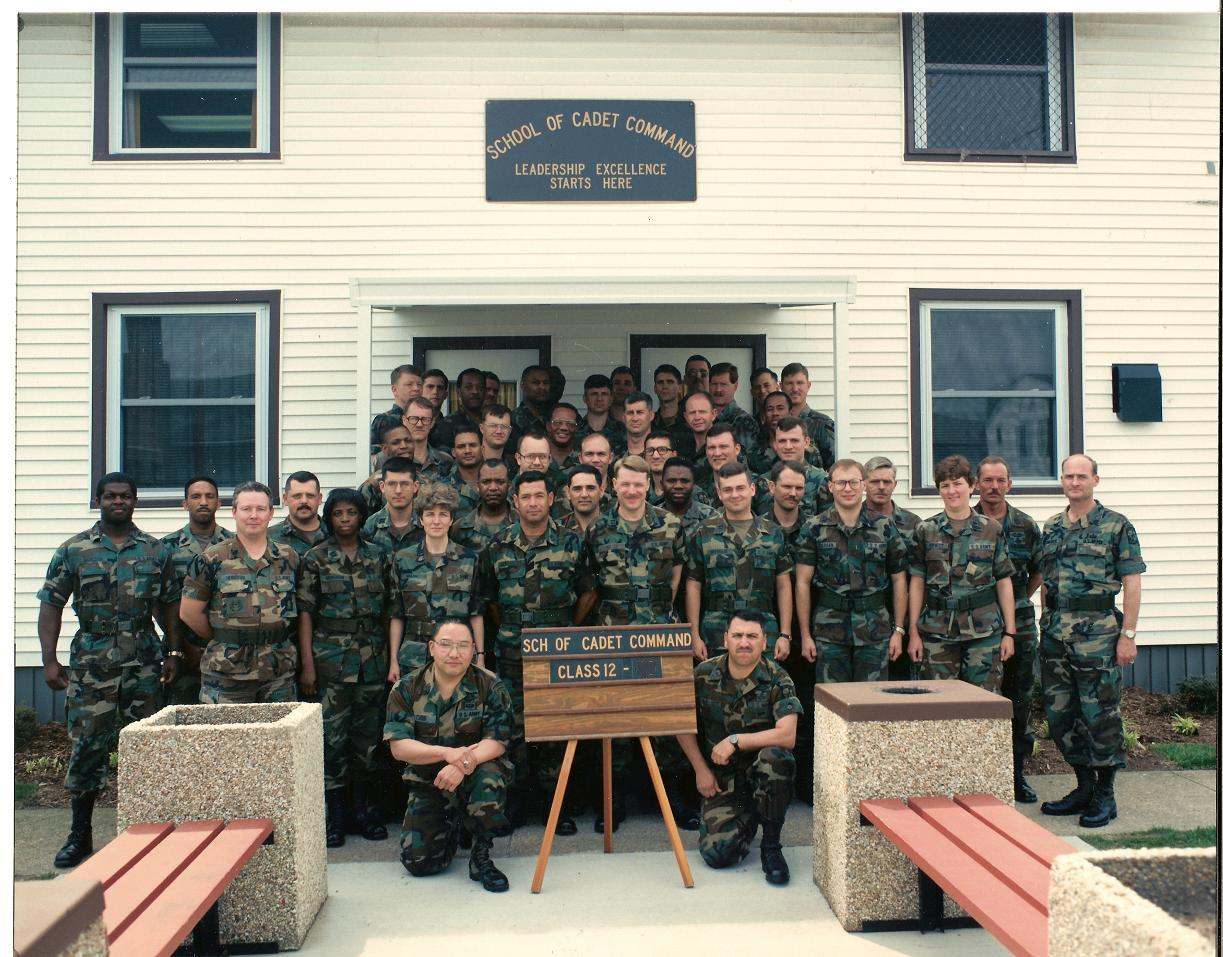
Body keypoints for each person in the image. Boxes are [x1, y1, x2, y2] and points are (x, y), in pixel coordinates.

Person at [39, 472, 170, 868]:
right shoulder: (74, 550)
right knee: (87, 747)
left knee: (148, 748)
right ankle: (80, 835)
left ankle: (151, 834)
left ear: (135, 501)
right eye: (110, 496)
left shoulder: (154, 551)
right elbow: (51, 606)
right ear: (98, 501)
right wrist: (48, 659)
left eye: (125, 496)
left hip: (144, 660)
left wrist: (176, 653)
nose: (118, 501)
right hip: (93, 663)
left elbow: (168, 605)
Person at [575, 456, 684, 833]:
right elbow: (590, 584)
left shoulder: (669, 524)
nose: (633, 490)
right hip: (613, 639)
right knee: (616, 721)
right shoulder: (600, 529)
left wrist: (663, 612)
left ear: (648, 485)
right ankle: (613, 802)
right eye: (626, 483)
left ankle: (673, 800)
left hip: (658, 638)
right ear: (614, 485)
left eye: (640, 484)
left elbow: (677, 573)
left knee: (666, 718)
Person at [478, 471, 590, 833]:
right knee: (514, 727)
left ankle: (556, 806)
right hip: (512, 651)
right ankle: (518, 802)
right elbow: (489, 599)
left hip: (557, 650)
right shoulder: (497, 545)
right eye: (525, 497)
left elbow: (589, 590)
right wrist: (517, 625)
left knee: (555, 727)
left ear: (552, 498)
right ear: (515, 501)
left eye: (539, 496)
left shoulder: (572, 543)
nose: (532, 503)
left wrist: (563, 626)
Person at [1037, 454, 1144, 829]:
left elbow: (1132, 581)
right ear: (1062, 481)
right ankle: (1083, 787)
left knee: (1100, 715)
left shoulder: (1116, 526)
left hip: (1098, 633)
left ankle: (1105, 794)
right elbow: (1046, 583)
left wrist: (1127, 635)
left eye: (1082, 476)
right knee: (1061, 715)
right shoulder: (1051, 527)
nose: (1075, 482)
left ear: (1096, 480)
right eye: (1068, 476)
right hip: (1055, 635)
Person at [297, 488, 397, 847]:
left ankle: (365, 813)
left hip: (372, 659)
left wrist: (392, 659)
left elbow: (390, 612)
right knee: (331, 741)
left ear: (361, 516)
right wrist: (308, 665)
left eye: (351, 513)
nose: (344, 520)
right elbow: (306, 614)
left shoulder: (379, 557)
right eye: (338, 514)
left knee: (367, 742)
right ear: (329, 517)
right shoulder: (315, 558)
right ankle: (335, 818)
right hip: (330, 662)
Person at [384, 619, 513, 892]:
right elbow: (399, 747)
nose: (454, 653)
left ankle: (481, 853)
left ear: (474, 650)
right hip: (431, 780)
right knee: (418, 863)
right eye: (446, 645)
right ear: (431, 648)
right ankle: (454, 827)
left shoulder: (490, 685)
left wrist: (464, 763)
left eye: (463, 646)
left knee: (490, 775)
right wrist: (448, 754)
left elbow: (498, 742)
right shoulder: (407, 687)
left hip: (475, 773)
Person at [677, 610, 799, 885]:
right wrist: (700, 770)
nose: (744, 642)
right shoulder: (704, 674)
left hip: (760, 772)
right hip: (722, 779)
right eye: (738, 635)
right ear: (726, 639)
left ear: (764, 642)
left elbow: (787, 735)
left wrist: (736, 740)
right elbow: (681, 723)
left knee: (776, 759)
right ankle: (749, 816)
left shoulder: (778, 679)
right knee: (717, 855)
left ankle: (771, 844)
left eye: (752, 636)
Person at [180, 481, 299, 704]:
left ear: (271, 513)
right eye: (246, 509)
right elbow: (189, 612)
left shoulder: (288, 557)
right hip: (227, 672)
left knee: (279, 737)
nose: (254, 515)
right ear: (234, 512)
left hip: (278, 671)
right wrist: (226, 636)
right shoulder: (212, 558)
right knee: (225, 737)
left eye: (261, 509)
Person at [908, 455, 1017, 692]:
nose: (952, 491)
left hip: (984, 632)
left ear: (971, 486)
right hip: (937, 632)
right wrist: (914, 632)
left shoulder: (990, 529)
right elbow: (917, 582)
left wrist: (1009, 632)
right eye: (945, 485)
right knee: (938, 704)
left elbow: (1003, 580)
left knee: (984, 702)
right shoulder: (926, 530)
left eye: (957, 483)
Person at [795, 459, 909, 685]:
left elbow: (899, 580)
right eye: (841, 483)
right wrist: (806, 635)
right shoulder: (814, 528)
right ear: (830, 487)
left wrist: (898, 630)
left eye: (854, 483)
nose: (847, 489)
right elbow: (802, 583)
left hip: (875, 631)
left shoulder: (884, 526)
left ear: (864, 484)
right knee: (832, 706)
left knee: (872, 706)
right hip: (829, 632)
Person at [974, 456, 1044, 804]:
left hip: (1020, 624)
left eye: (1000, 480)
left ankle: (1017, 775)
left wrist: (1015, 602)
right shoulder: (966, 522)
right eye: (987, 480)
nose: (994, 487)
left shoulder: (1026, 526)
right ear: (976, 484)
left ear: (1009, 485)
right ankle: (981, 775)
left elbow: (1037, 571)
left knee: (1019, 699)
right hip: (977, 627)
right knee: (981, 700)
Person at [685, 463, 794, 659]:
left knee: (763, 688)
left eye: (740, 488)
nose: (734, 495)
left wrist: (785, 634)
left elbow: (783, 585)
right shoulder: (703, 532)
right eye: (727, 489)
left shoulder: (773, 532)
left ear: (752, 489)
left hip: (762, 629)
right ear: (719, 493)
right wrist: (694, 635)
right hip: (716, 630)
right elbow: (693, 584)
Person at [388, 482, 485, 680]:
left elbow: (476, 612)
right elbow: (396, 615)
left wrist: (481, 655)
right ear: (421, 520)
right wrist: (393, 660)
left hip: (456, 653)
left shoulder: (468, 559)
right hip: (414, 655)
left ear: (451, 520)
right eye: (430, 514)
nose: (436, 520)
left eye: (443, 514)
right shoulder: (403, 559)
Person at [156, 475, 234, 706]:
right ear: (185, 503)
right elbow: (160, 603)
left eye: (210, 496)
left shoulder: (235, 544)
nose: (203, 502)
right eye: (195, 496)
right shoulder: (166, 548)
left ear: (219, 504)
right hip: (181, 650)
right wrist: (180, 648)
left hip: (227, 650)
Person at [862, 455, 923, 679]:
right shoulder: (852, 520)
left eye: (886, 482)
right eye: (875, 481)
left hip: (904, 615)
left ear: (895, 485)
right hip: (865, 618)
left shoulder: (913, 524)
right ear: (864, 483)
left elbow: (919, 575)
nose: (881, 487)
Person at [752, 417, 831, 516]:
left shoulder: (822, 481)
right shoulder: (762, 483)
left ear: (806, 442)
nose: (788, 446)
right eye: (782, 441)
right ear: (775, 444)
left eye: (794, 440)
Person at [779, 362, 836, 471]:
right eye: (789, 383)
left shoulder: (823, 424)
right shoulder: (775, 423)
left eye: (800, 383)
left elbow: (833, 467)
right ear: (781, 386)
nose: (795, 389)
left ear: (808, 385)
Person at [452, 458, 514, 555]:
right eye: (486, 482)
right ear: (477, 486)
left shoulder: (523, 522)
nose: (493, 488)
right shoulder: (461, 528)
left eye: (500, 481)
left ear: (509, 486)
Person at [363, 457, 423, 557]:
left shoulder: (426, 522)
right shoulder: (371, 525)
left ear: (415, 487)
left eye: (405, 484)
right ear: (382, 487)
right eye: (392, 484)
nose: (398, 490)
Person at [269, 471, 328, 558]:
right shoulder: (268, 538)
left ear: (319, 499)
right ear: (285, 499)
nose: (304, 501)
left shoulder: (335, 534)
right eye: (297, 496)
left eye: (310, 495)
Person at [360, 421, 415, 513]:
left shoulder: (425, 481)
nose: (404, 446)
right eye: (396, 442)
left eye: (408, 441)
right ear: (385, 449)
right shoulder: (372, 486)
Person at [370, 364, 423, 457]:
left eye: (419, 384)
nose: (416, 388)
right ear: (395, 390)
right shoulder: (383, 421)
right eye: (409, 384)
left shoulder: (427, 418)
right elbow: (374, 458)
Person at [708, 362, 758, 455]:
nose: (718, 389)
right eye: (714, 384)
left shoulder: (743, 421)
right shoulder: (704, 417)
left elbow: (745, 460)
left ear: (735, 386)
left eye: (723, 384)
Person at [432, 368, 486, 453]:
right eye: (469, 387)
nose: (475, 391)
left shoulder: (493, 423)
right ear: (459, 392)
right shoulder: (445, 425)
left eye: (480, 387)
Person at [403, 397, 455, 483]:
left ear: (432, 423)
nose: (419, 424)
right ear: (404, 420)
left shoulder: (445, 461)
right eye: (414, 419)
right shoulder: (392, 459)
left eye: (425, 419)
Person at [578, 374, 627, 455]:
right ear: (585, 398)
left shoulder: (622, 431)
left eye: (604, 394)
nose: (599, 399)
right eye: (594, 394)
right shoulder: (575, 429)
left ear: (611, 399)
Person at [652, 363, 693, 457]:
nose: (665, 386)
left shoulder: (690, 421)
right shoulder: (649, 423)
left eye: (670, 382)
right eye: (660, 382)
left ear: (679, 388)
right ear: (655, 388)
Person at [510, 365, 553, 450]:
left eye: (546, 383)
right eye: (536, 383)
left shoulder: (554, 418)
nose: (542, 387)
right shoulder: (513, 419)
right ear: (522, 385)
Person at [448, 425, 485, 517]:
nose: (467, 450)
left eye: (472, 445)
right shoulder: (443, 487)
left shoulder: (498, 482)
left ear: (482, 449)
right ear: (453, 452)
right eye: (461, 447)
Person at [561, 464, 604, 534]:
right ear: (568, 493)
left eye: (590, 488)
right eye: (577, 489)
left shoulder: (618, 528)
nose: (584, 495)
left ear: (601, 491)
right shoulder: (555, 530)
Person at [479, 404, 515, 477]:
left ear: (510, 431)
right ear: (482, 428)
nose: (499, 431)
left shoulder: (514, 465)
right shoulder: (470, 460)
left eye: (504, 426)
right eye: (493, 426)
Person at [682, 390, 716, 462]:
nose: (697, 417)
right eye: (692, 413)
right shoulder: (682, 448)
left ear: (713, 414)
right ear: (685, 416)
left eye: (702, 412)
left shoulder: (723, 446)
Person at [620, 391, 656, 458]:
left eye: (640, 412)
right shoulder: (615, 451)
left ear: (651, 415)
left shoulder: (661, 451)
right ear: (623, 417)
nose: (635, 418)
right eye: (630, 413)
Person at [546, 402, 582, 468]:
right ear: (548, 426)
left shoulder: (584, 457)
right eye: (557, 422)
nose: (564, 428)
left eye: (570, 423)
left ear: (576, 428)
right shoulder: (538, 457)